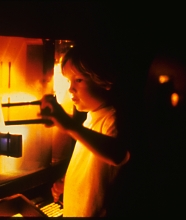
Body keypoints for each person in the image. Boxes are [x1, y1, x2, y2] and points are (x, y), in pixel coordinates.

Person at [39, 44, 130, 217]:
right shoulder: (91, 118)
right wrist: (67, 183)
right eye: (68, 81)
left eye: (78, 80)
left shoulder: (113, 119)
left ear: (105, 81)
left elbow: (117, 154)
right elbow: (94, 167)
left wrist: (69, 125)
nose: (71, 88)